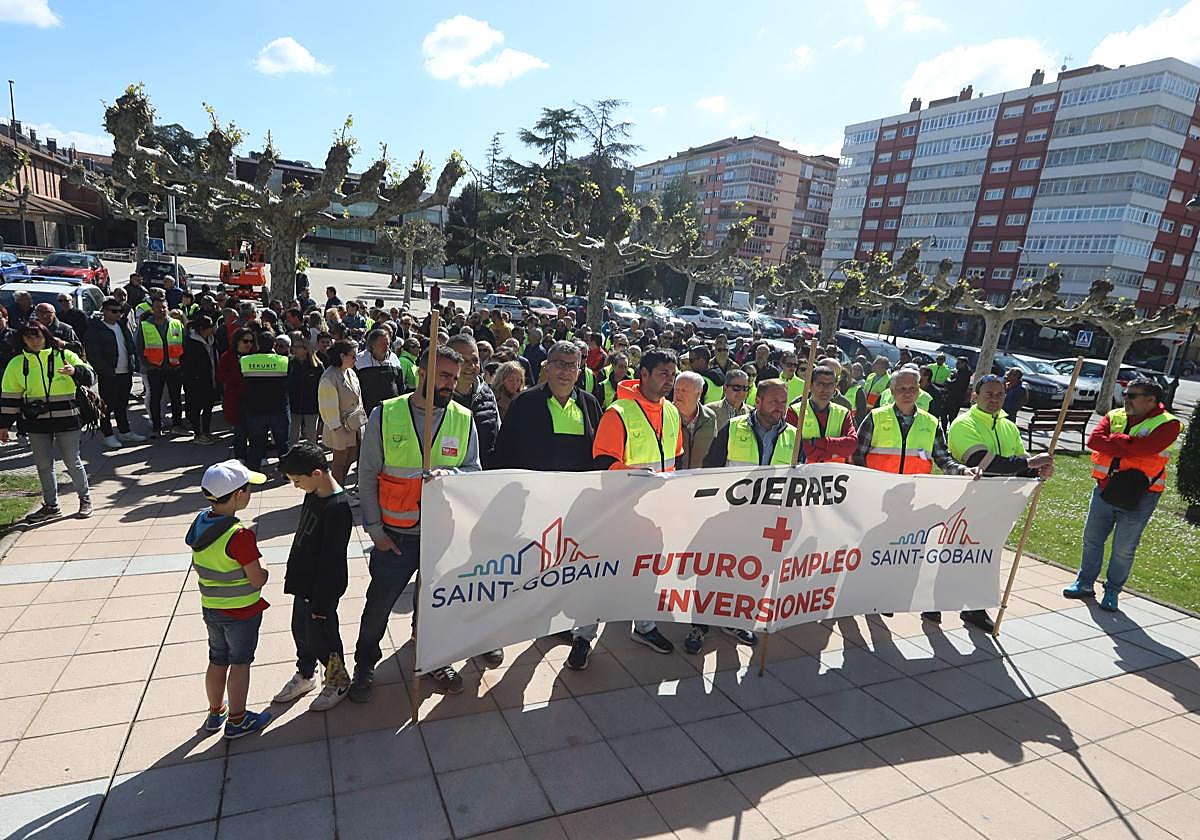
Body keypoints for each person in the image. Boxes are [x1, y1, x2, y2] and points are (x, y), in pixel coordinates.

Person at [352, 345, 485, 699]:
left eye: (454, 379)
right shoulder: (387, 414)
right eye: (443, 376)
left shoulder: (462, 417)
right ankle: (364, 664)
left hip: (441, 537)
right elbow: (367, 476)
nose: (449, 385)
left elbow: (474, 471)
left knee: (434, 605)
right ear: (421, 373)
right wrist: (376, 531)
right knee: (379, 605)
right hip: (395, 536)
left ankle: (431, 657)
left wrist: (452, 473)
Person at [942, 374, 1055, 631]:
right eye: (989, 394)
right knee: (952, 554)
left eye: (1000, 394)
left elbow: (1020, 464)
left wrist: (1038, 471)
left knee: (985, 556)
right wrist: (1029, 464)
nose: (995, 399)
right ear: (975, 396)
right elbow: (983, 463)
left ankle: (975, 608)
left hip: (999, 504)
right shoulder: (963, 424)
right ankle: (934, 603)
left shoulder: (1008, 426)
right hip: (964, 502)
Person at [592, 347, 683, 655]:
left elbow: (675, 460)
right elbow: (603, 463)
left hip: (658, 510)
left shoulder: (671, 411)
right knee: (603, 573)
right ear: (643, 374)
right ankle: (583, 635)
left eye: (672, 375)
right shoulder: (618, 412)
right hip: (621, 510)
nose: (669, 381)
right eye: (663, 374)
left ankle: (644, 626)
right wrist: (640, 477)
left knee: (650, 569)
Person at [1064, 377, 1181, 612]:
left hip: (1140, 494)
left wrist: (1116, 440)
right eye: (1126, 394)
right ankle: (1085, 583)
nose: (1125, 398)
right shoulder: (1115, 415)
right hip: (1105, 488)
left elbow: (1146, 449)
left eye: (1132, 395)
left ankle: (1113, 591)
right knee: (1092, 539)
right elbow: (1094, 440)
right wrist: (1128, 442)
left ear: (1151, 400)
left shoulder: (1168, 423)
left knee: (1123, 548)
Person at [185, 460, 273, 739]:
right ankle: (237, 719)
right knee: (240, 663)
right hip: (242, 612)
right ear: (238, 495)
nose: (249, 494)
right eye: (248, 489)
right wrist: (266, 573)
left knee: (217, 659)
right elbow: (256, 578)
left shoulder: (201, 522)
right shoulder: (239, 535)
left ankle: (215, 712)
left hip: (211, 607)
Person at [272, 443, 354, 711]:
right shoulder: (314, 492)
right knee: (302, 632)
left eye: (297, 480)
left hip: (322, 591)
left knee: (324, 637)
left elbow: (332, 561)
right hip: (303, 582)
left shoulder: (338, 507)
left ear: (317, 472)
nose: (296, 486)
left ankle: (338, 680)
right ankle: (306, 673)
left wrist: (321, 601)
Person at [0, 321, 95, 520]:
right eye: (29, 337)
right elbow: (10, 397)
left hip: (67, 419)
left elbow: (90, 376)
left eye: (37, 336)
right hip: (36, 422)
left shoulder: (64, 355)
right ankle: (51, 506)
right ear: (23, 339)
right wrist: (4, 425)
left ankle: (85, 499)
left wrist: (75, 372)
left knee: (72, 461)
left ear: (46, 337)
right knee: (43, 465)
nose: (34, 341)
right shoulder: (17, 363)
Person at [853, 368, 979, 478]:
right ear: (892, 390)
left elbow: (944, 459)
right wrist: (866, 479)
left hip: (914, 493)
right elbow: (857, 454)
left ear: (919, 390)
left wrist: (964, 471)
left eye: (912, 388)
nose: (907, 393)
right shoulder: (875, 417)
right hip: (877, 489)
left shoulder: (931, 423)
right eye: (902, 388)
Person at [83, 296, 146, 448]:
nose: (118, 314)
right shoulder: (95, 329)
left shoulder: (122, 325)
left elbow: (129, 345)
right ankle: (107, 434)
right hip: (109, 374)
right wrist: (105, 370)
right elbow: (93, 354)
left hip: (125, 372)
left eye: (120, 311)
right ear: (104, 311)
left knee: (122, 404)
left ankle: (125, 431)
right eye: (114, 311)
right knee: (107, 406)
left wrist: (133, 364)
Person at [447, 334, 500, 469]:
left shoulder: (487, 394)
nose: (471, 365)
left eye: (475, 360)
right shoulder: (436, 397)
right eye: (463, 360)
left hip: (483, 479)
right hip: (448, 481)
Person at [240, 331, 291, 471]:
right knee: (283, 444)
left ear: (257, 344)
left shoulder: (245, 361)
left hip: (255, 409)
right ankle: (287, 473)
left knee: (256, 444)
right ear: (274, 344)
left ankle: (255, 472)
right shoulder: (284, 361)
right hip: (278, 409)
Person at [136, 297, 187, 436]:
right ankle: (156, 427)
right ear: (153, 309)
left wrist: (181, 364)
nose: (162, 310)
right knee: (155, 398)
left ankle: (177, 425)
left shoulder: (176, 324)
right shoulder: (145, 325)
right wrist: (148, 365)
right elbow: (139, 347)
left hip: (174, 368)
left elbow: (184, 345)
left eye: (164, 307)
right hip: (155, 369)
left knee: (175, 398)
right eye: (158, 307)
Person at [786, 365, 857, 463]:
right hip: (803, 473)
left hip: (834, 475)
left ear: (835, 386)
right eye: (820, 384)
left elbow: (851, 444)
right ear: (810, 385)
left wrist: (815, 442)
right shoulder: (795, 411)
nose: (826, 389)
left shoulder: (843, 413)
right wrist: (832, 454)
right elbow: (790, 446)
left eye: (830, 384)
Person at [318, 340, 365, 490]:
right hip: (339, 428)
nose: (355, 360)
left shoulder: (350, 372)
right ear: (342, 356)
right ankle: (336, 492)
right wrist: (338, 429)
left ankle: (340, 488)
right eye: (353, 356)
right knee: (339, 463)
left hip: (353, 425)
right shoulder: (329, 377)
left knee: (351, 457)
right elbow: (327, 406)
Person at [182, 315, 220, 444]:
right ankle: (198, 434)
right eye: (209, 327)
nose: (212, 329)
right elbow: (187, 364)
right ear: (201, 329)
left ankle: (207, 432)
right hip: (196, 382)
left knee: (208, 407)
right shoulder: (190, 342)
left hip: (211, 378)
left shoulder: (213, 340)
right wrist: (194, 378)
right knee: (196, 408)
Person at [217, 327, 254, 461]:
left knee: (255, 431)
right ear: (237, 342)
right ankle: (240, 457)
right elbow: (220, 376)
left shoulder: (255, 355)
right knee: (240, 431)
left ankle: (256, 456)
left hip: (253, 399)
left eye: (251, 341)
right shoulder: (227, 356)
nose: (249, 344)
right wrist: (239, 372)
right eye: (245, 341)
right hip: (235, 399)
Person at [355, 329, 405, 417]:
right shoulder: (360, 360)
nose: (386, 348)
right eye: (382, 345)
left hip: (391, 410)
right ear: (372, 345)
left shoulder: (394, 359)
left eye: (388, 344)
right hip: (369, 412)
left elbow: (400, 384)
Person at [674, 371, 717, 469]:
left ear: (699, 392)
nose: (678, 394)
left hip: (700, 478)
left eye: (684, 390)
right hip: (673, 477)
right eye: (676, 389)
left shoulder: (710, 417)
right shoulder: (666, 414)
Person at [288, 335, 323, 446]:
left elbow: (322, 386)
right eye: (294, 346)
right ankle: (292, 458)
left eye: (298, 346)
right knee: (293, 435)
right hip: (294, 406)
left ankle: (312, 459)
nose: (295, 349)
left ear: (305, 349)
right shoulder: (290, 363)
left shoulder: (317, 366)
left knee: (311, 436)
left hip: (311, 407)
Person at [941, 356, 972, 432]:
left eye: (958, 363)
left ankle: (951, 432)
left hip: (955, 399)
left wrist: (948, 381)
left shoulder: (965, 374)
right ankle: (943, 430)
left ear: (964, 364)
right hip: (949, 397)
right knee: (943, 415)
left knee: (952, 417)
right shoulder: (958, 372)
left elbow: (955, 384)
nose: (956, 365)